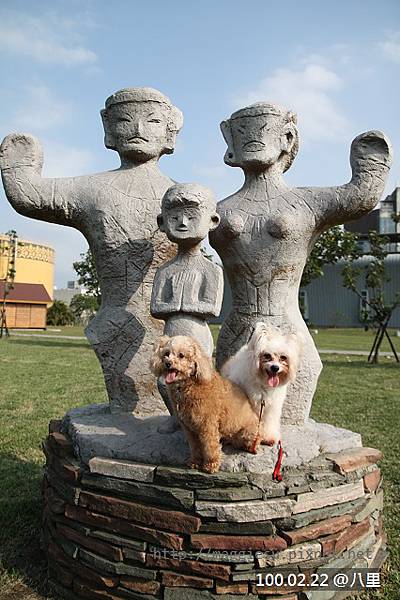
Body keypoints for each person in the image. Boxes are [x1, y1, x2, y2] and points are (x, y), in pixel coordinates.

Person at [0, 88, 183, 415]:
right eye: (127, 121)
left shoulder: (183, 196)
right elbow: (29, 195)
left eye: (152, 121)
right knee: (128, 405)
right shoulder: (92, 190)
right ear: (108, 129)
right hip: (114, 322)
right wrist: (19, 167)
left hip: (171, 328)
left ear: (171, 131)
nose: (139, 130)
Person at [210, 102, 392, 426]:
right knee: (234, 422)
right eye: (242, 131)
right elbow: (173, 224)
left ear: (287, 137)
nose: (253, 137)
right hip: (237, 331)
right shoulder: (218, 210)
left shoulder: (305, 202)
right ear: (230, 143)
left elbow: (360, 197)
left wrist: (370, 166)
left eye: (264, 128)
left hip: (289, 331)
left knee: (290, 423)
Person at [151, 183, 223, 357]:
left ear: (212, 221)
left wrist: (179, 304)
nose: (183, 222)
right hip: (171, 334)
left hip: (197, 334)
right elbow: (156, 307)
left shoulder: (211, 270)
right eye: (174, 218)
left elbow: (212, 308)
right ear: (162, 222)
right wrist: (181, 304)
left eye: (191, 217)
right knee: (167, 376)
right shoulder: (165, 271)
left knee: (199, 378)